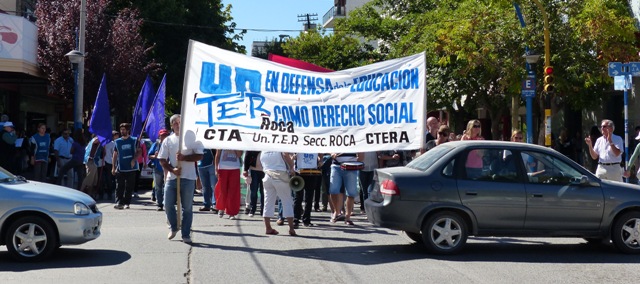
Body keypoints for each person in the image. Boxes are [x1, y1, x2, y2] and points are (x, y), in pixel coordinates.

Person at [158, 114, 204, 244]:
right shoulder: (168, 140)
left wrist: (185, 158)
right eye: (175, 123)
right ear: (172, 126)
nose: (178, 125)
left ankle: (186, 233)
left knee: (187, 207)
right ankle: (173, 227)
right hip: (172, 177)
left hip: (188, 177)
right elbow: (162, 158)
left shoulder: (191, 137)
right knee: (167, 204)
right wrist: (172, 169)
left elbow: (200, 156)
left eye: (180, 122)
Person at [260, 151, 297, 236]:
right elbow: (285, 154)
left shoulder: (263, 150)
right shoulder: (278, 146)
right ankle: (291, 228)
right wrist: (292, 167)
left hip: (267, 175)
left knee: (268, 202)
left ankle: (268, 227)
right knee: (287, 201)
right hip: (280, 174)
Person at [112, 123, 142, 209]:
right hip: (121, 168)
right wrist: (113, 166)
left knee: (129, 187)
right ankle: (119, 202)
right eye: (121, 130)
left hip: (131, 168)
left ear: (128, 130)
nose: (122, 131)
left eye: (124, 130)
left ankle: (127, 202)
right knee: (119, 186)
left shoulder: (134, 140)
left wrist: (134, 159)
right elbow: (115, 154)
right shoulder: (117, 142)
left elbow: (139, 151)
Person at [329, 152, 364, 225]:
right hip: (336, 165)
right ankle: (336, 211)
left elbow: (361, 153)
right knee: (333, 190)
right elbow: (329, 145)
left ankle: (347, 217)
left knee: (351, 192)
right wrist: (331, 153)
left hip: (351, 167)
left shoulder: (355, 140)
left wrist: (357, 160)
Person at [294, 153, 322, 226]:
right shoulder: (299, 143)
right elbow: (292, 153)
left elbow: (321, 152)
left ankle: (306, 219)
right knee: (298, 197)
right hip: (299, 171)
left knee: (309, 197)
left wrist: (320, 160)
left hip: (312, 172)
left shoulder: (315, 143)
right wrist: (293, 157)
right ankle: (296, 218)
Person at [214, 149, 243, 219]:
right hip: (222, 168)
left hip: (234, 168)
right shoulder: (222, 141)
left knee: (233, 191)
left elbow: (239, 154)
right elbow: (217, 155)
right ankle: (221, 208)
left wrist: (234, 147)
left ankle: (231, 213)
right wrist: (216, 168)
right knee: (222, 190)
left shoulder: (238, 142)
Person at [148, 129, 169, 211]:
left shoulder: (170, 144)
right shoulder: (156, 145)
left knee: (167, 187)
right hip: (157, 169)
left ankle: (166, 203)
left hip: (168, 168)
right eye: (162, 135)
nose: (163, 137)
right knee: (158, 187)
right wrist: (154, 156)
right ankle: (159, 204)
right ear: (159, 136)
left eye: (165, 135)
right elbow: (149, 156)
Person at [243, 151, 264, 217]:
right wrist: (245, 169)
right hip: (254, 170)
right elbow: (247, 155)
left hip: (265, 171)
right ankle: (252, 209)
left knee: (263, 192)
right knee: (253, 191)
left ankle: (263, 210)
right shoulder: (253, 145)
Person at [198, 148, 218, 212]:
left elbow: (216, 151)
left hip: (211, 164)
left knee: (214, 185)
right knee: (205, 186)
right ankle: (206, 204)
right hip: (200, 165)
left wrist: (216, 164)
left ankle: (215, 204)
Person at [101, 131, 119, 200]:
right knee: (106, 179)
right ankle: (106, 193)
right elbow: (114, 154)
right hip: (105, 162)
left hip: (107, 162)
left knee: (107, 179)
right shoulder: (110, 143)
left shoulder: (110, 143)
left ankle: (107, 193)